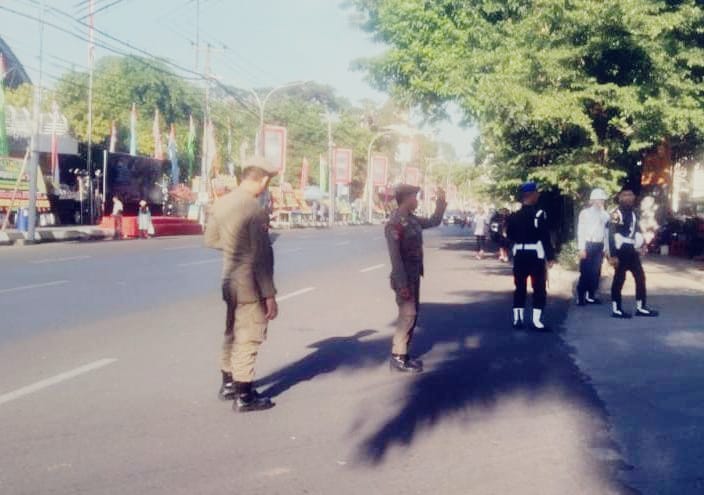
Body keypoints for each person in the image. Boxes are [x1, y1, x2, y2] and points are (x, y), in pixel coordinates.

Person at [204, 156, 279, 413]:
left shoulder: (221, 203)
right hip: (250, 283)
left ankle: (228, 384)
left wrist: (235, 247)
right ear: (264, 179)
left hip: (229, 279)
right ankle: (244, 395)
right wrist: (269, 295)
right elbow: (261, 257)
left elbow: (211, 240)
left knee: (232, 332)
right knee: (249, 336)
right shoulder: (254, 209)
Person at [385, 184, 447, 373]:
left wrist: (441, 201)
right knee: (408, 315)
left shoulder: (412, 220)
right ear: (406, 198)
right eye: (415, 197)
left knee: (412, 315)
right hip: (404, 278)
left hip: (414, 275)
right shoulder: (395, 222)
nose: (417, 200)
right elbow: (395, 258)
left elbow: (434, 221)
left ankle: (403, 355)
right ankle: (398, 357)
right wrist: (402, 284)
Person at [506, 182, 556, 331]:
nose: (538, 195)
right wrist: (550, 257)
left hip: (520, 255)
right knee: (539, 288)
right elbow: (545, 237)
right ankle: (536, 321)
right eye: (536, 193)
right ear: (532, 195)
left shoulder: (514, 216)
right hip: (535, 255)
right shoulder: (539, 215)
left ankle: (518, 319)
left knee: (519, 287)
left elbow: (509, 236)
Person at [608, 187, 659, 318]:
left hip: (631, 250)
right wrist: (613, 255)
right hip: (620, 250)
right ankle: (616, 309)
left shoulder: (633, 213)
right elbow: (611, 235)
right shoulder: (616, 213)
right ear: (620, 197)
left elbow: (636, 230)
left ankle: (641, 307)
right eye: (625, 195)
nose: (628, 197)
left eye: (630, 195)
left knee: (640, 277)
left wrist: (642, 245)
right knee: (619, 279)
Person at [576, 188, 610, 305]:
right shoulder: (585, 213)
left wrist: (606, 248)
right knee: (585, 272)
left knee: (596, 272)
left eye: (602, 200)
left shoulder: (605, 214)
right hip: (588, 244)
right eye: (599, 199)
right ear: (593, 200)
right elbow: (581, 231)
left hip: (599, 245)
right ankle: (581, 296)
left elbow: (606, 232)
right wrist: (581, 248)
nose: (601, 202)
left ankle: (591, 295)